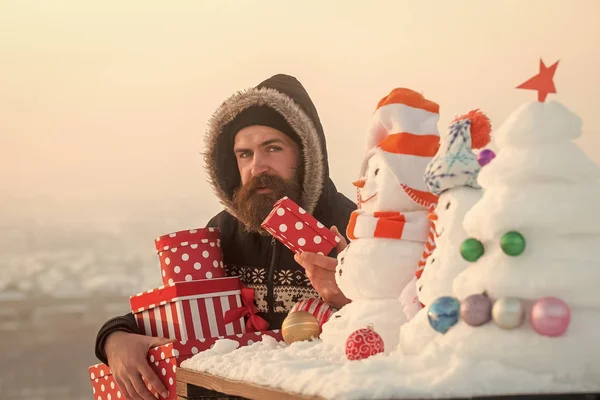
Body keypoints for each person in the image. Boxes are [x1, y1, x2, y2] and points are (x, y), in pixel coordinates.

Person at [94, 74, 356, 400]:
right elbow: (179, 312)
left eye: (272, 148)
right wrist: (115, 338)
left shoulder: (355, 226)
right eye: (244, 154)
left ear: (307, 153)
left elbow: (408, 333)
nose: (257, 166)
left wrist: (350, 300)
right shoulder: (221, 234)